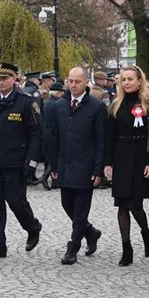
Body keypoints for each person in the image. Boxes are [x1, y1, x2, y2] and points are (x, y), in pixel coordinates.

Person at [0, 61, 43, 260]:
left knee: (16, 201)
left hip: (16, 162)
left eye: (5, 79)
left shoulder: (26, 102)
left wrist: (31, 162)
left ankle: (32, 226)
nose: (1, 83)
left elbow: (36, 134)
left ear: (14, 79)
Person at [47, 67, 106, 265]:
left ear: (85, 83)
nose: (73, 85)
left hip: (85, 166)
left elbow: (101, 140)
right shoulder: (59, 106)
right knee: (67, 204)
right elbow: (53, 137)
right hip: (64, 164)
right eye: (70, 81)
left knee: (81, 208)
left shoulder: (96, 107)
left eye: (77, 81)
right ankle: (90, 231)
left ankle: (73, 246)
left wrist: (98, 169)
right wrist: (52, 165)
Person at [104, 65, 149, 266]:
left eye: (130, 79)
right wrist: (107, 163)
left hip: (140, 156)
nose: (126, 82)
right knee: (122, 205)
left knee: (135, 204)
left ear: (139, 81)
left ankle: (146, 233)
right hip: (121, 154)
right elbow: (109, 137)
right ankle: (126, 248)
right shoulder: (115, 104)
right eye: (124, 79)